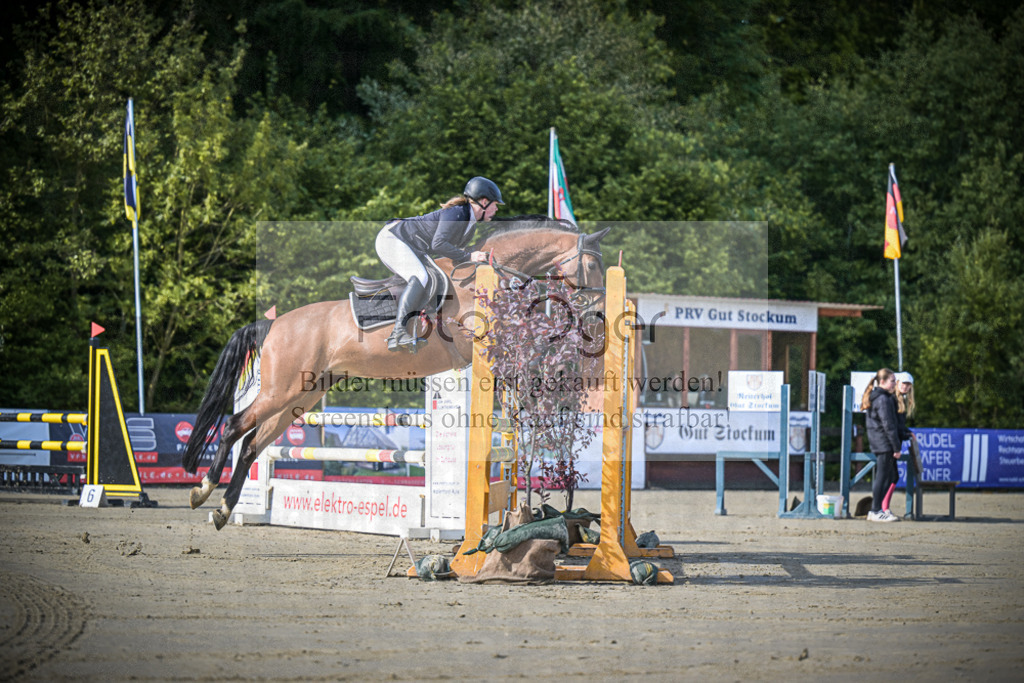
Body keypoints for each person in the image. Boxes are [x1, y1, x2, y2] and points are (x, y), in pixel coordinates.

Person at [375, 177, 504, 351]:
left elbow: (453, 253)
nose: (496, 209)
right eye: (495, 204)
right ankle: (397, 332)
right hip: (393, 239)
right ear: (484, 202)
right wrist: (469, 256)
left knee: (429, 277)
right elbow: (439, 244)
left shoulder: (469, 224)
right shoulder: (457, 213)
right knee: (420, 276)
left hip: (410, 245)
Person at [860, 368, 902, 522]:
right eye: (892, 381)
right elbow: (888, 425)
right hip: (883, 443)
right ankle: (875, 510)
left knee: (888, 475)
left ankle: (878, 509)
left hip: (881, 441)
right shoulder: (882, 399)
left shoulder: (881, 397)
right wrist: (896, 447)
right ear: (883, 382)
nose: (894, 384)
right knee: (882, 476)